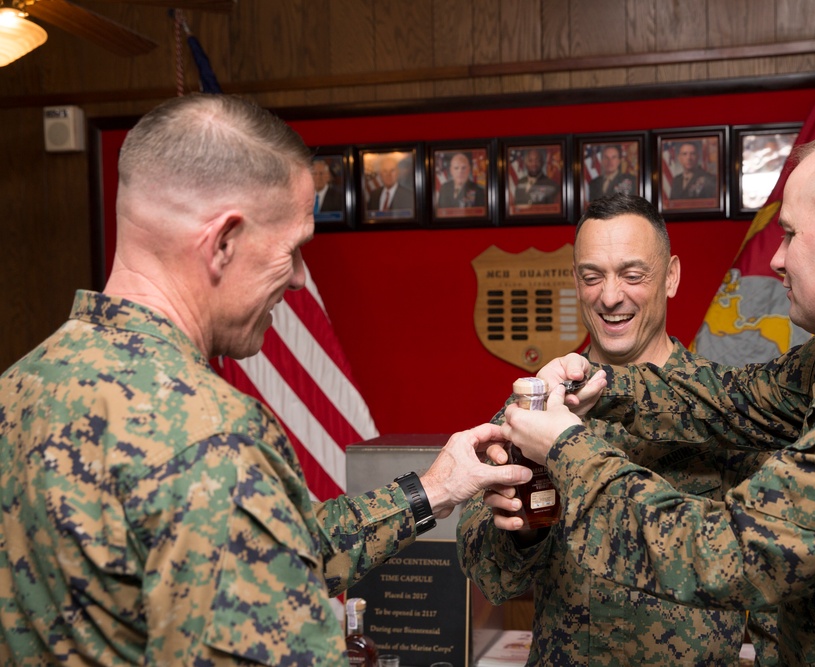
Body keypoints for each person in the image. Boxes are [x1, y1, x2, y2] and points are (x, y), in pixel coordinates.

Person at [0, 93, 531, 666]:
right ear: (223, 242)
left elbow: (286, 546)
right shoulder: (211, 435)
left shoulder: (19, 387)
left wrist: (436, 489)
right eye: (295, 249)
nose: (301, 279)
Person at [501, 118, 815, 664]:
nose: (777, 259)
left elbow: (722, 553)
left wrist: (568, 448)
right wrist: (604, 387)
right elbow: (735, 399)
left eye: (789, 234)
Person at [457, 193, 754, 666]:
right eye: (592, 276)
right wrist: (523, 532)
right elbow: (487, 574)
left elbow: (771, 565)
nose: (610, 297)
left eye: (633, 275)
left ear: (671, 276)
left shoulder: (723, 409)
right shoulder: (538, 405)